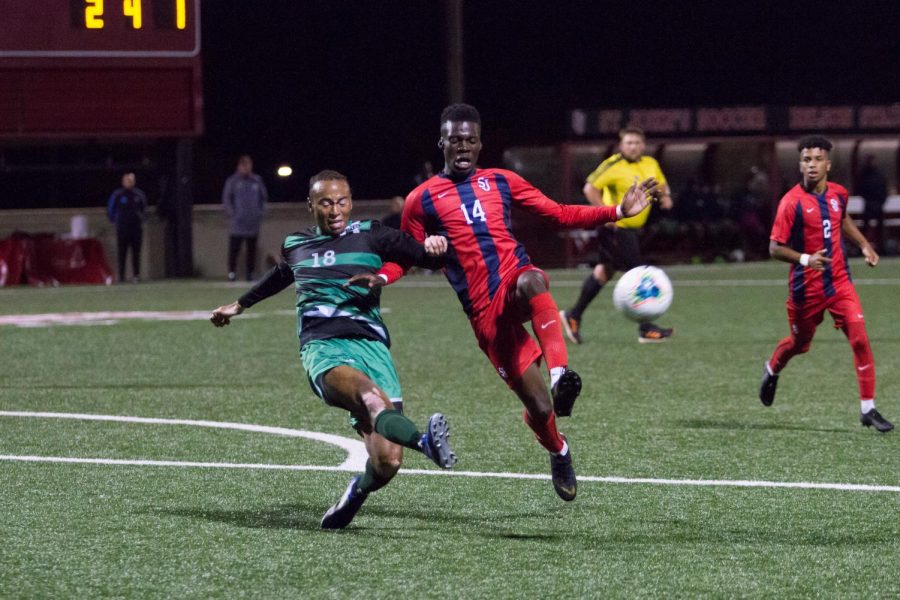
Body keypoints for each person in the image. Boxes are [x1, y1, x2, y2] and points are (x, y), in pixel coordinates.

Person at [358, 104, 658, 502]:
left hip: (515, 278)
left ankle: (559, 373)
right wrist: (383, 276)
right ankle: (559, 449)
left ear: (480, 144)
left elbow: (559, 213)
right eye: (454, 140)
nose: (462, 146)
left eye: (469, 139)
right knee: (538, 408)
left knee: (534, 280)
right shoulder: (421, 199)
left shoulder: (501, 181)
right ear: (442, 143)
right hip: (485, 314)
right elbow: (407, 256)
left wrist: (617, 211)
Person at [210, 169, 458, 529]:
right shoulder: (296, 243)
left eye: (342, 201)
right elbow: (281, 275)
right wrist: (239, 304)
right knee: (371, 399)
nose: (335, 209)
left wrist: (437, 248)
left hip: (373, 347)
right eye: (326, 203)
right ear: (311, 205)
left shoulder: (372, 234)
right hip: (324, 346)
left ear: (351, 202)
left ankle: (354, 495)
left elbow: (423, 256)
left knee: (387, 462)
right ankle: (426, 442)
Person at [760, 136, 893, 433]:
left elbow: (841, 218)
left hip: (840, 283)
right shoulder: (790, 203)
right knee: (799, 344)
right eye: (806, 160)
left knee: (860, 339)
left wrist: (864, 245)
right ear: (800, 165)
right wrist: (807, 259)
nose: (811, 165)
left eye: (817, 159)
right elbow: (774, 248)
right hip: (805, 290)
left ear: (828, 164)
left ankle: (867, 408)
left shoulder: (839, 193)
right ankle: (771, 369)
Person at [560, 127, 674, 344]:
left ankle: (573, 315)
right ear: (622, 145)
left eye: (637, 142)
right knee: (639, 273)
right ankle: (646, 328)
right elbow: (589, 188)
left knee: (603, 272)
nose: (633, 146)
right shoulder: (613, 164)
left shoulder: (650, 163)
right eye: (629, 142)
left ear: (643, 144)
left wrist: (666, 196)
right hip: (615, 228)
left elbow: (661, 184)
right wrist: (606, 212)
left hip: (632, 230)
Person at [222, 154, 268, 281]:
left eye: (248, 165)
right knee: (234, 248)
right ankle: (231, 272)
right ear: (239, 166)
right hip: (237, 223)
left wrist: (260, 213)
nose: (246, 168)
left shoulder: (256, 180)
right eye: (244, 166)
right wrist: (232, 213)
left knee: (251, 249)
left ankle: (250, 273)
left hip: (253, 222)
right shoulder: (232, 181)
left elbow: (263, 198)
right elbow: (227, 199)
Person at [106, 172, 147, 283]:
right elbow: (110, 210)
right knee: (122, 252)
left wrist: (140, 219)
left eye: (131, 180)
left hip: (136, 229)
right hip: (122, 229)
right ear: (123, 182)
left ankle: (136, 276)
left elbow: (143, 210)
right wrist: (115, 221)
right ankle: (122, 276)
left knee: (136, 252)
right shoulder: (118, 195)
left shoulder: (139, 195)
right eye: (127, 180)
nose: (129, 182)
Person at [857, 154, 888, 254]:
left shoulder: (877, 174)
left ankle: (881, 248)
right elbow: (860, 188)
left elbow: (884, 189)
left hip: (876, 204)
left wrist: (881, 200)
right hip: (870, 203)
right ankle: (862, 248)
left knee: (879, 229)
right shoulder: (865, 175)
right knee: (865, 228)